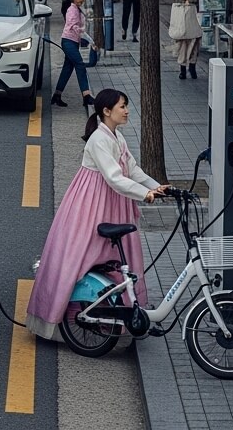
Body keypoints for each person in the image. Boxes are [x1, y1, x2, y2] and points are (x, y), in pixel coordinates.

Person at [27, 89, 168, 341]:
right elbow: (114, 178)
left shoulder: (117, 137)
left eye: (126, 106)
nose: (126, 111)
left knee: (117, 258)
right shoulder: (98, 139)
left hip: (113, 202)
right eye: (122, 106)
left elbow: (132, 170)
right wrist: (143, 194)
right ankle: (63, 316)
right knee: (79, 255)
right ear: (106, 111)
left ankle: (119, 316)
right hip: (92, 204)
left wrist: (154, 187)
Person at [52, 0, 96, 108]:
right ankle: (86, 96)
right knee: (80, 65)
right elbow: (74, 27)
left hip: (72, 42)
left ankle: (57, 95)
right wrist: (90, 40)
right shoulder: (72, 10)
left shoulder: (76, 9)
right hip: (68, 42)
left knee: (67, 69)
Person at [171, 0, 202, 80]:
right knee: (191, 50)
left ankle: (185, 70)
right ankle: (190, 69)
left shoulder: (182, 6)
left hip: (187, 29)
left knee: (185, 50)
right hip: (191, 29)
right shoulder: (190, 6)